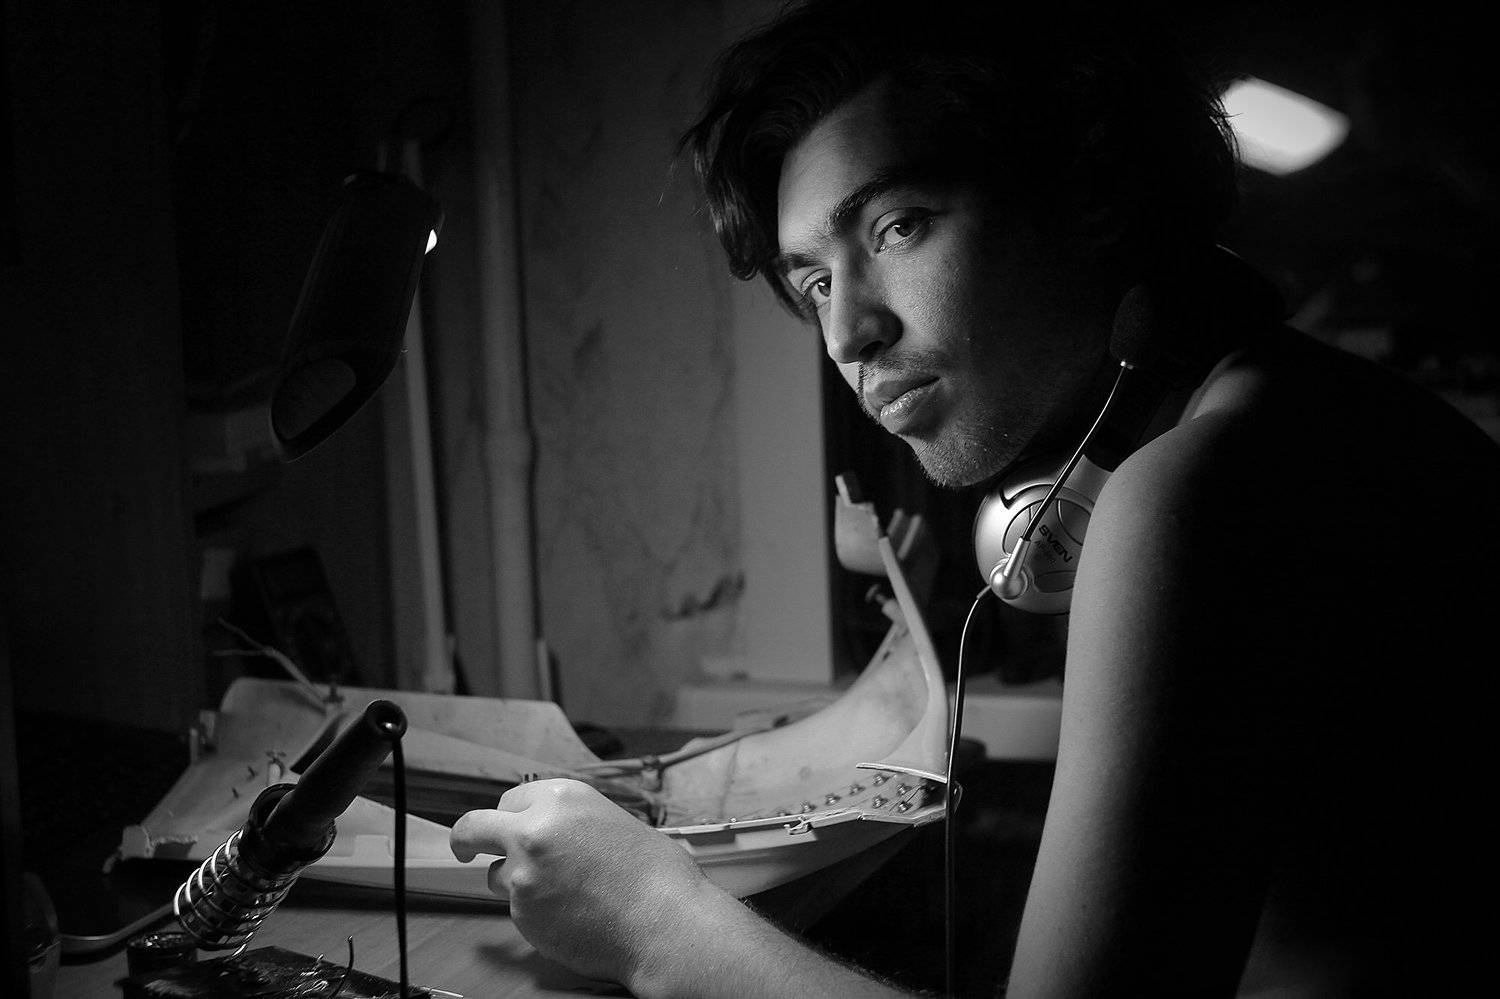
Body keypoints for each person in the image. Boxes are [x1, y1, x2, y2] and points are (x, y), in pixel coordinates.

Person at [452, 1, 1500, 995]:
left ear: (1090, 191)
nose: (848, 333)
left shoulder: (1192, 500)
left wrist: (649, 915)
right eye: (814, 282)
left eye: (898, 227)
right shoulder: (1309, 413)